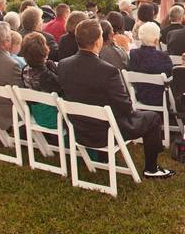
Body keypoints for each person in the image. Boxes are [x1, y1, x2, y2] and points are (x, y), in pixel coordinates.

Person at [58, 20, 175, 179]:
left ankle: (103, 158)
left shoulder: (63, 65)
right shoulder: (108, 71)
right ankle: (151, 168)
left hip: (79, 128)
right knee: (152, 118)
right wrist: (131, 114)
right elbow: (124, 106)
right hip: (106, 132)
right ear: (98, 41)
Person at [20, 32, 63, 130]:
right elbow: (62, 90)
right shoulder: (46, 75)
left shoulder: (25, 70)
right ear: (44, 50)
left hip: (36, 113)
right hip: (53, 116)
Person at [127, 21, 174, 105]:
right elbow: (170, 76)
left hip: (140, 96)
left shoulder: (133, 54)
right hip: (160, 99)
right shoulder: (163, 57)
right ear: (156, 40)